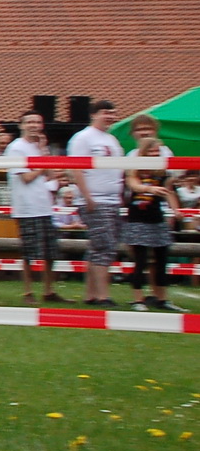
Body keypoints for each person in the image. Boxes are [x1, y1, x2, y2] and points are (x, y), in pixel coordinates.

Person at [67, 100, 123, 306]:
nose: (110, 116)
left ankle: (90, 294)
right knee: (104, 246)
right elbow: (76, 168)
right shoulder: (83, 138)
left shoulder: (112, 140)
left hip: (112, 200)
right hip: (95, 200)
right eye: (105, 112)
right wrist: (87, 197)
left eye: (112, 113)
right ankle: (103, 296)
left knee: (98, 247)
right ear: (93, 114)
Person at [5, 111, 63, 303]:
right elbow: (27, 177)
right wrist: (42, 164)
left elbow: (52, 175)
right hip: (27, 207)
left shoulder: (40, 148)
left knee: (50, 253)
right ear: (21, 125)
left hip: (45, 205)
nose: (34, 125)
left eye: (37, 122)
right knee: (29, 253)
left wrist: (44, 153)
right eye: (29, 122)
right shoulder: (16, 148)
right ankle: (28, 291)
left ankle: (48, 290)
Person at [122, 115, 178, 311]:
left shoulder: (162, 172)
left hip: (157, 218)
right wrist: (149, 189)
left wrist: (175, 210)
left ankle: (162, 299)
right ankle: (138, 299)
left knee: (162, 259)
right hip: (138, 218)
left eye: (157, 152)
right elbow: (133, 184)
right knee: (140, 260)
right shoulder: (134, 168)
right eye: (151, 152)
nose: (155, 155)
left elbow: (169, 189)